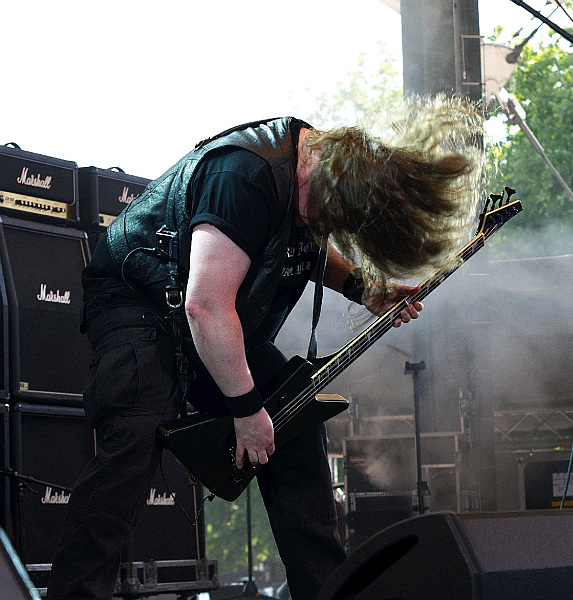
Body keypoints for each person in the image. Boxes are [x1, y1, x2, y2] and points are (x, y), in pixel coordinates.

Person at [47, 94, 489, 599]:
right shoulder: (244, 176)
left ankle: (327, 592)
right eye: (328, 218)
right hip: (139, 303)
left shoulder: (317, 167)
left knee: (295, 424)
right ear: (320, 180)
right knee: (135, 437)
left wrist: (364, 288)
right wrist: (246, 409)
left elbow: (305, 244)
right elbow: (205, 306)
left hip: (212, 317)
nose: (325, 230)